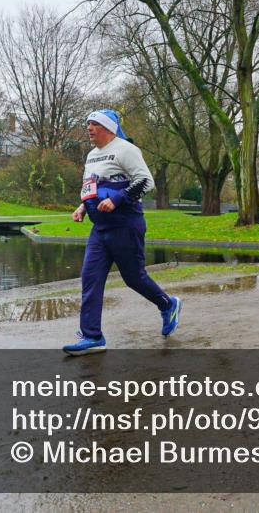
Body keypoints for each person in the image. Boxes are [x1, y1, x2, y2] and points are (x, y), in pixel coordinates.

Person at [62, 110, 181, 355]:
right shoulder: (92, 155)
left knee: (134, 278)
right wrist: (84, 206)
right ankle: (92, 336)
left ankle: (168, 304)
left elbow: (146, 181)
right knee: (90, 278)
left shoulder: (126, 149)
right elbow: (92, 187)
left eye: (94, 123)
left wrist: (117, 198)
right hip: (100, 228)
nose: (89, 128)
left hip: (126, 225)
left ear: (108, 127)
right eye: (88, 123)